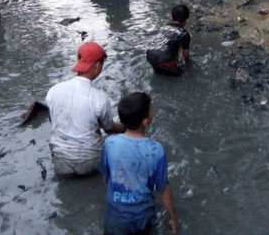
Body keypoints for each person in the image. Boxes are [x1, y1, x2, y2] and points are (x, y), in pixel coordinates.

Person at [99, 92, 179, 235]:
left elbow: (106, 178)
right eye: (151, 110)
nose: (153, 112)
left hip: (114, 218)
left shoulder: (110, 143)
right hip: (141, 219)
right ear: (146, 121)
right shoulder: (156, 150)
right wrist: (173, 218)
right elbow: (163, 188)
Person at [46, 42, 125, 178]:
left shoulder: (53, 91)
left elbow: (53, 121)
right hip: (90, 162)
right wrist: (126, 128)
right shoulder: (99, 98)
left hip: (61, 162)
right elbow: (109, 128)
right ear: (98, 65)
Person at [146, 4, 191, 76]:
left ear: (172, 17)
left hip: (150, 55)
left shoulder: (164, 27)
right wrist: (189, 63)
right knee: (184, 75)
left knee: (159, 69)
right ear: (186, 19)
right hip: (164, 62)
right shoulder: (184, 33)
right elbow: (186, 55)